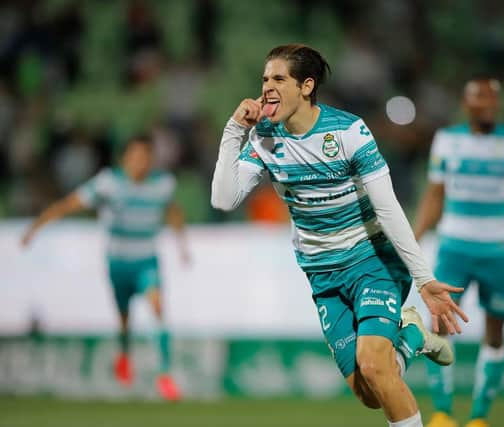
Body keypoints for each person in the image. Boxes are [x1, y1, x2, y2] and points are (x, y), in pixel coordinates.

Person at [210, 44, 468, 427]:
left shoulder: (348, 132)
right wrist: (235, 130)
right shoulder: (264, 138)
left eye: (279, 78)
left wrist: (423, 278)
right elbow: (224, 199)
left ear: (306, 86)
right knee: (368, 392)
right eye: (265, 79)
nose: (267, 87)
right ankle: (411, 334)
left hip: (371, 261)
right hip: (322, 274)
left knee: (375, 366)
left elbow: (388, 207)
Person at [411, 77, 504, 427]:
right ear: (467, 104)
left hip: (498, 250)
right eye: (480, 99)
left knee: (496, 330)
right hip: (454, 246)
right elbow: (434, 196)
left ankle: (480, 417)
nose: (487, 105)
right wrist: (413, 237)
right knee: (438, 324)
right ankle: (442, 412)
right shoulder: (448, 140)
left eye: (492, 99)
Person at [21, 135, 188, 401]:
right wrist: (35, 227)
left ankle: (165, 375)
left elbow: (174, 210)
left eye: (145, 157)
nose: (140, 162)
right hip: (118, 263)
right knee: (124, 319)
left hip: (146, 260)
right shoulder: (109, 183)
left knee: (157, 308)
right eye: (135, 157)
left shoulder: (162, 184)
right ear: (125, 159)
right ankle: (123, 353)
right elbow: (70, 204)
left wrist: (182, 245)